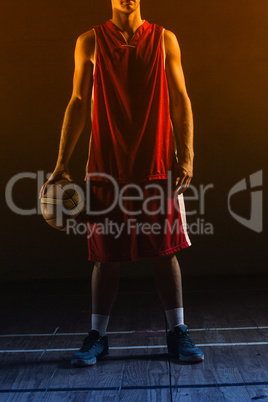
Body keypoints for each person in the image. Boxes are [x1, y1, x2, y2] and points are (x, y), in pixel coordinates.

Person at [40, 0, 204, 366]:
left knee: (166, 253)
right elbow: (79, 101)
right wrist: (61, 163)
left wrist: (187, 154)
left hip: (157, 162)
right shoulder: (90, 41)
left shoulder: (164, 39)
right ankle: (98, 336)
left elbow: (180, 97)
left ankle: (178, 331)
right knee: (105, 258)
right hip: (105, 166)